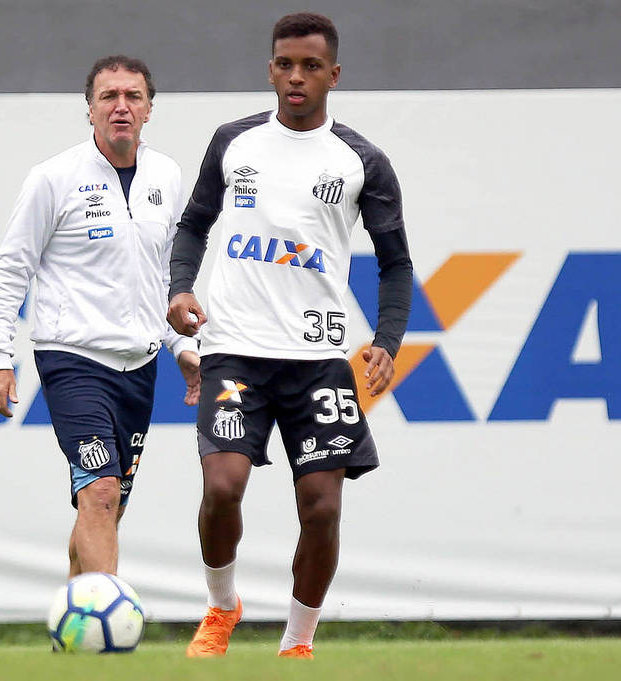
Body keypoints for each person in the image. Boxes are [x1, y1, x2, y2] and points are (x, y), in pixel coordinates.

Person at [167, 13, 413, 659]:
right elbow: (193, 225)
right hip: (235, 350)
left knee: (322, 508)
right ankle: (221, 607)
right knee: (222, 486)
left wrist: (387, 339)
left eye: (310, 66)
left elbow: (396, 264)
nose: (296, 76)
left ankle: (297, 642)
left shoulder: (361, 161)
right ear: (270, 69)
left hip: (318, 360)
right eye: (285, 64)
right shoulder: (234, 142)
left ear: (334, 75)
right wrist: (180, 287)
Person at [0, 55, 200, 579]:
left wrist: (184, 348)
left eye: (133, 96)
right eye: (109, 97)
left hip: (139, 364)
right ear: (90, 109)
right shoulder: (52, 178)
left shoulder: (167, 175)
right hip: (72, 359)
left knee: (106, 505)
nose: (121, 106)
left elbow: (165, 278)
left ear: (149, 109)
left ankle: (77, 616)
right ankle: (109, 618)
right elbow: (11, 270)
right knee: (100, 491)